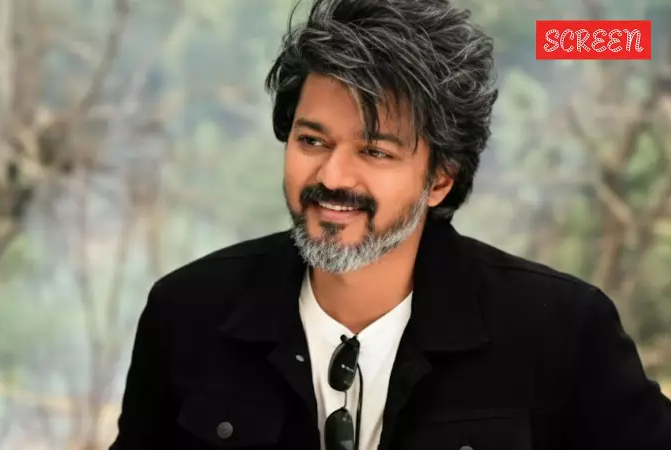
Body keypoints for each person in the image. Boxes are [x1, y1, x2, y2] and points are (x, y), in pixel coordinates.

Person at [110, 0, 671, 449]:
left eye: (375, 151)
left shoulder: (564, 332)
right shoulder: (186, 313)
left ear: (440, 179)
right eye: (312, 141)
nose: (332, 176)